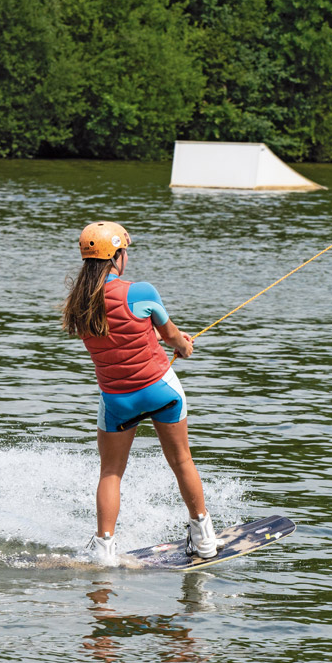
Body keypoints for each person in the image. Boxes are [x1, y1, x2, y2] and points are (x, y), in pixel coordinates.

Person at [61, 221, 217, 566]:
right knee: (181, 461)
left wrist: (158, 338)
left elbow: (116, 336)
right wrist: (183, 346)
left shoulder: (78, 303)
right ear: (117, 256)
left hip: (118, 400)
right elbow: (173, 336)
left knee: (111, 472)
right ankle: (204, 540)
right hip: (161, 391)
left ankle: (104, 549)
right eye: (124, 252)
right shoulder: (141, 291)